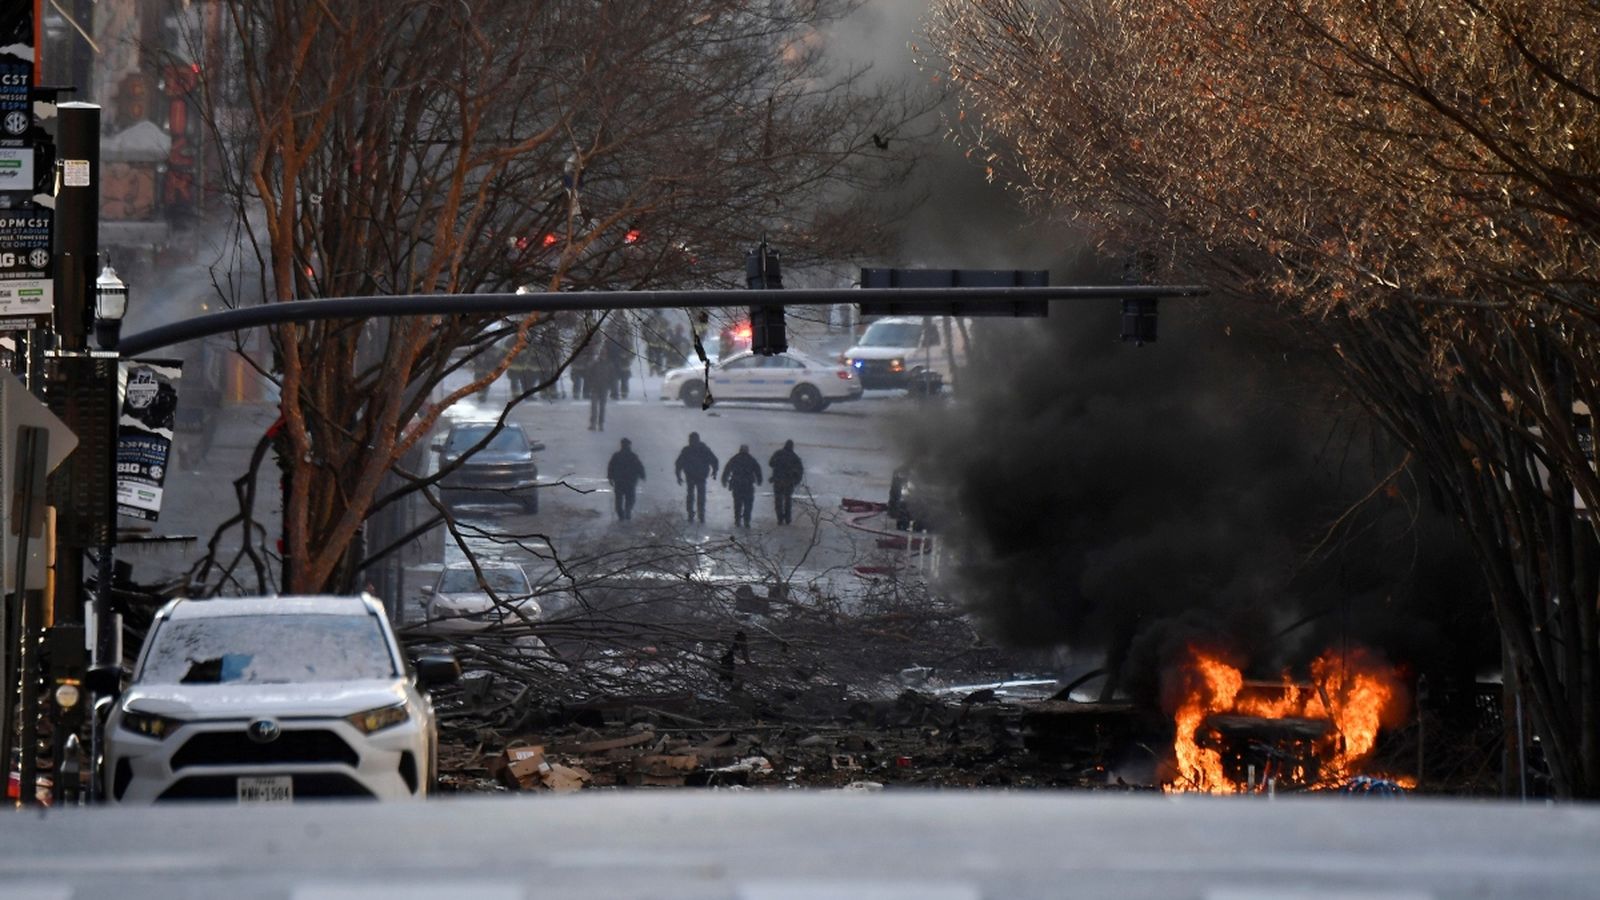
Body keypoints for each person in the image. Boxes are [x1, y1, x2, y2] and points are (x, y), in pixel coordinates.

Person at [674, 431, 719, 523]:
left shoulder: (690, 450)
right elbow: (714, 461)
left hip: (695, 475)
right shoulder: (701, 449)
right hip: (698, 476)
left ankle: (694, 514)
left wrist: (678, 476)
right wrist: (714, 471)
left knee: (692, 495)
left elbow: (679, 464)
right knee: (698, 496)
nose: (692, 441)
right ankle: (698, 514)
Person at [721, 444, 763, 527]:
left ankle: (737, 520)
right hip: (748, 485)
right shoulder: (751, 459)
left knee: (737, 504)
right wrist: (759, 480)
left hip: (737, 485)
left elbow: (727, 470)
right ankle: (746, 520)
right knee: (748, 504)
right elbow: (757, 470)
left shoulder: (735, 459)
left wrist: (724, 480)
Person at [606, 438, 646, 521]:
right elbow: (639, 467)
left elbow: (611, 467)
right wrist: (642, 475)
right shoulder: (633, 456)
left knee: (619, 500)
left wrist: (610, 478)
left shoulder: (616, 455)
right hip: (630, 482)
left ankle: (621, 515)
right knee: (630, 498)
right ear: (629, 445)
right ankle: (627, 511)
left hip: (619, 481)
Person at [768, 438, 804, 525]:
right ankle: (787, 518)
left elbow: (771, 463)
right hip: (789, 482)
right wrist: (796, 481)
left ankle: (780, 518)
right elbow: (800, 470)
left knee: (778, 500)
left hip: (778, 481)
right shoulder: (795, 457)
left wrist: (778, 464)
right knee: (788, 500)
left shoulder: (778, 453)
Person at [587, 348, 615, 431]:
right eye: (602, 354)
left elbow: (612, 378)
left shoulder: (609, 364)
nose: (603, 356)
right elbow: (589, 375)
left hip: (604, 388)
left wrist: (611, 388)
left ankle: (601, 424)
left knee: (602, 407)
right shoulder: (595, 364)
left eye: (604, 354)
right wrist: (590, 385)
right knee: (594, 407)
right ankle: (593, 423)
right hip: (595, 387)